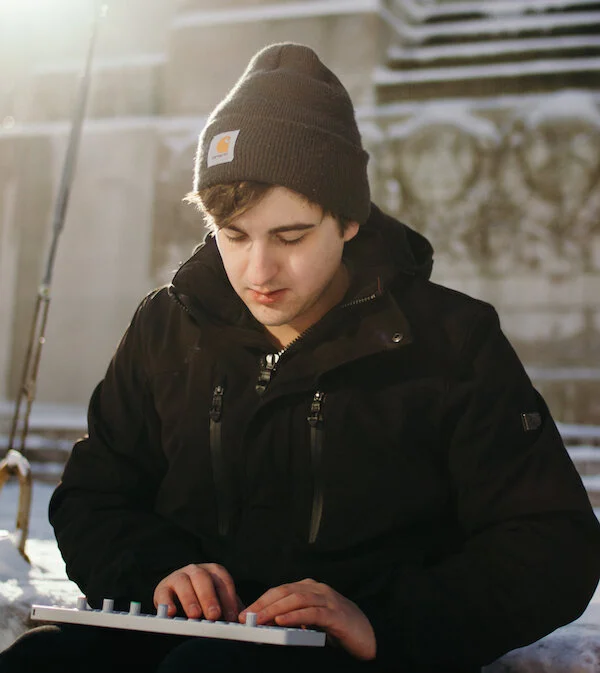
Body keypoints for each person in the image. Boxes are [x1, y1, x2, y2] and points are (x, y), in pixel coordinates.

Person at [1, 41, 599, 673]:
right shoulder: (167, 323)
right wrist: (158, 573)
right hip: (175, 637)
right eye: (233, 236)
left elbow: (551, 543)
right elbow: (94, 495)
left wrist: (387, 622)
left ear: (348, 221)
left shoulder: (451, 341)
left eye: (290, 236)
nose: (259, 271)